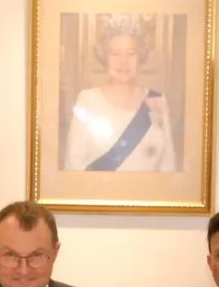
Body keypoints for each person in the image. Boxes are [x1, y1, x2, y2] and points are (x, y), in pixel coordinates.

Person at [63, 15, 177, 172]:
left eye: (131, 53)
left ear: (141, 56)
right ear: (105, 58)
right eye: (115, 54)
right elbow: (74, 165)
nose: (123, 62)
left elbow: (168, 164)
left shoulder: (156, 100)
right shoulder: (88, 100)